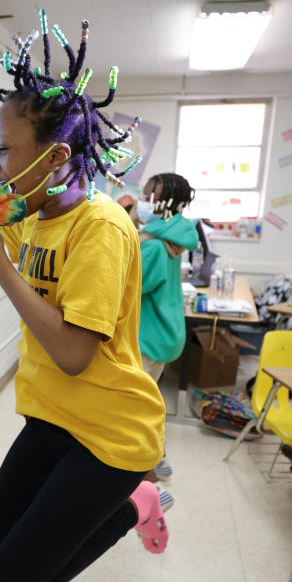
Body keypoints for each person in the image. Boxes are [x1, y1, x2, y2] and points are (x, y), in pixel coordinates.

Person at [0, 13, 168, 582]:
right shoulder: (34, 211)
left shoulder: (100, 227)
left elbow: (76, 354)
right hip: (54, 414)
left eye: (5, 149)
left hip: (110, 432)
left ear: (54, 160)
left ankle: (138, 502)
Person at [130, 173, 198, 482]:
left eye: (149, 197)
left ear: (169, 204)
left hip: (151, 336)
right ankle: (155, 455)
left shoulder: (155, 246)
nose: (143, 202)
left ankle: (148, 472)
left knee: (136, 406)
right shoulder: (170, 239)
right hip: (164, 332)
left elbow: (128, 287)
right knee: (147, 399)